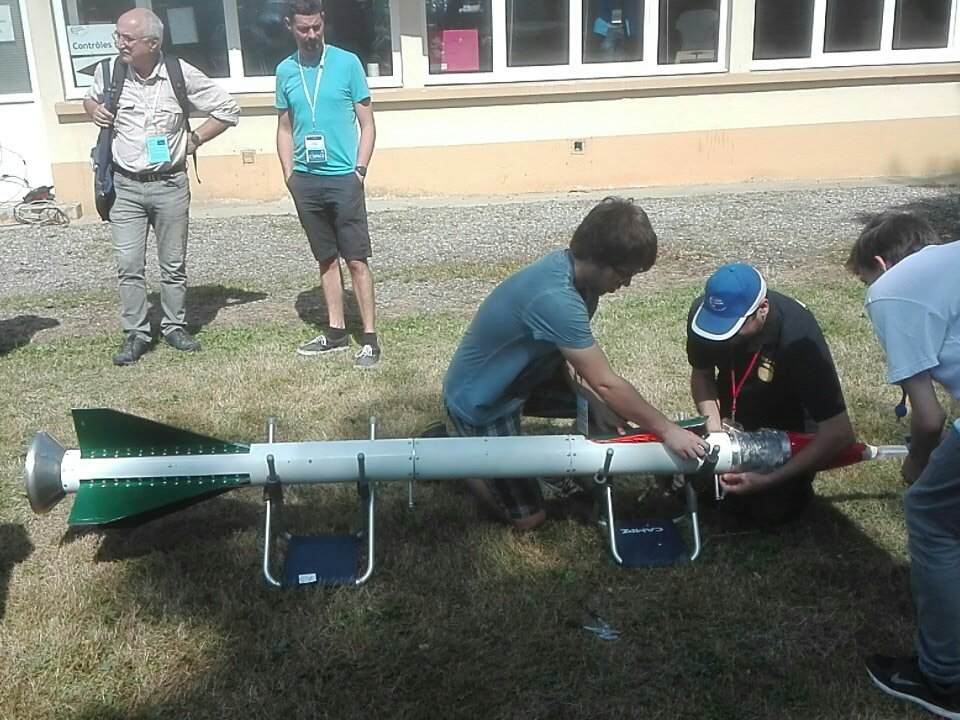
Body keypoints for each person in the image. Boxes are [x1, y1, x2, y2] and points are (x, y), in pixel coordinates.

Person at [443, 197, 710, 530]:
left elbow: (572, 364)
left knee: (611, 410)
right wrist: (668, 430)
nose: (626, 284)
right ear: (600, 260)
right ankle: (457, 453)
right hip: (481, 402)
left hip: (526, 379)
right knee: (530, 521)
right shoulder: (556, 298)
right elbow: (606, 382)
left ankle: (589, 477)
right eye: (625, 274)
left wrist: (594, 403)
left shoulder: (582, 284)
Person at [847, 212, 960, 719]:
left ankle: (943, 679)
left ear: (880, 263)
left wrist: (917, 463)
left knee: (931, 517)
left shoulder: (892, 287)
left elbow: (930, 418)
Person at [84, 8, 239, 366]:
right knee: (128, 264)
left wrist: (195, 139)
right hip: (124, 186)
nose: (119, 43)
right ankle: (136, 334)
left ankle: (174, 327)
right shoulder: (108, 72)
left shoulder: (178, 73)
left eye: (127, 38)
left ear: (152, 43)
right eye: (118, 36)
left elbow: (228, 109)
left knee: (172, 265)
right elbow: (90, 98)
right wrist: (93, 108)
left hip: (170, 184)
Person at [686, 262, 855, 525]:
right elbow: (702, 374)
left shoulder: (799, 337)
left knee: (768, 512)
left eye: (734, 327)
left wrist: (768, 479)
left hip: (787, 423)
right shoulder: (705, 318)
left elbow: (839, 434)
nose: (723, 338)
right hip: (733, 417)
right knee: (691, 486)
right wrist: (717, 433)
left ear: (762, 308)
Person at [276, 0, 380, 369]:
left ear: (323, 22)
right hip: (306, 179)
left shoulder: (348, 63)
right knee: (325, 258)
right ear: (290, 25)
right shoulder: (285, 71)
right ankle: (335, 331)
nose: (311, 35)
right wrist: (289, 175)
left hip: (344, 178)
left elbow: (368, 124)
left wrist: (360, 170)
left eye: (317, 27)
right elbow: (285, 128)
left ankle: (369, 337)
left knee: (355, 259)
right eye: (304, 29)